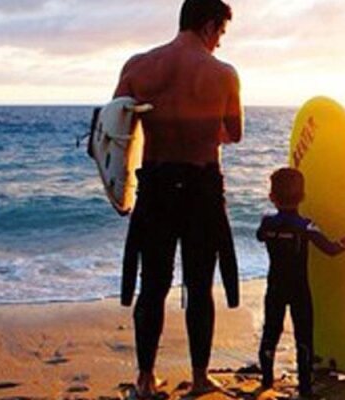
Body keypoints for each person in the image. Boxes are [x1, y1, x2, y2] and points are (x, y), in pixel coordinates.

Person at [112, 0, 242, 396]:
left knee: (153, 286)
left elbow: (117, 128)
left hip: (155, 187)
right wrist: (201, 129)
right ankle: (201, 378)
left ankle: (146, 379)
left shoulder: (138, 66)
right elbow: (233, 132)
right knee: (199, 286)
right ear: (208, 26)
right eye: (220, 33)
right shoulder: (223, 74)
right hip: (202, 189)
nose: (219, 43)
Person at [256, 168, 345, 398]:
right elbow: (332, 249)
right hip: (299, 289)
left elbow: (260, 236)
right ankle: (305, 387)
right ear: (303, 197)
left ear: (272, 197)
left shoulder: (267, 224)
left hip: (275, 288)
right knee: (303, 336)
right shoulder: (306, 226)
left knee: (270, 332)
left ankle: (266, 381)